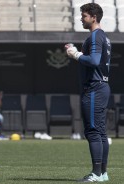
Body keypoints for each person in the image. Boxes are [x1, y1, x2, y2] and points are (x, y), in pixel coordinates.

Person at [65, 3, 111, 182]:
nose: (81, 19)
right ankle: (103, 173)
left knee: (93, 132)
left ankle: (96, 174)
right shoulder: (104, 37)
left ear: (93, 17)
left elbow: (93, 61)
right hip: (102, 86)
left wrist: (76, 54)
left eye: (83, 16)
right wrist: (77, 52)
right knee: (100, 132)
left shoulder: (95, 36)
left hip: (93, 88)